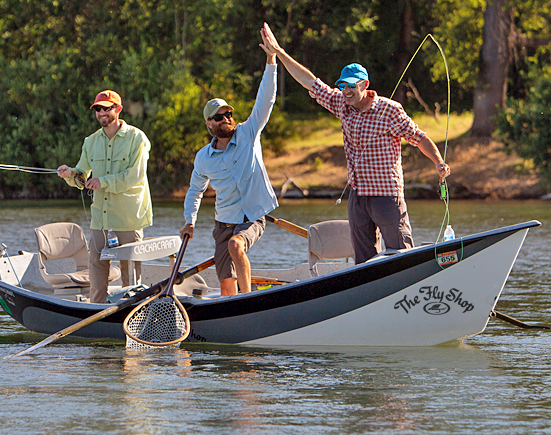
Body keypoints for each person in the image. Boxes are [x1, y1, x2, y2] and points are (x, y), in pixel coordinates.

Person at [260, 23, 451, 264]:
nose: (346, 90)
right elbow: (309, 81)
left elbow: (419, 137)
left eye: (351, 85)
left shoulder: (390, 110)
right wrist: (278, 52)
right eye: (342, 85)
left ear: (365, 85)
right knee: (364, 260)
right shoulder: (341, 104)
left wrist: (438, 162)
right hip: (358, 197)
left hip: (387, 195)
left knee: (401, 254)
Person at [179, 45, 279, 296]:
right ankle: (234, 304)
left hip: (252, 217)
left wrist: (271, 60)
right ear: (209, 124)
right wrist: (189, 222)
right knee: (226, 287)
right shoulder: (203, 157)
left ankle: (247, 299)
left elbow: (266, 100)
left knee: (237, 245)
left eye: (228, 114)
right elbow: (195, 191)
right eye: (219, 116)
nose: (226, 118)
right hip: (223, 224)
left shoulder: (249, 133)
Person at [57, 90, 152, 303]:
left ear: (118, 109)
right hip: (100, 218)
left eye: (106, 108)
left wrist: (103, 181)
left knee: (131, 275)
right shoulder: (90, 142)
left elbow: (135, 176)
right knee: (97, 267)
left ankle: (133, 309)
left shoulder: (137, 138)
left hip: (129, 218)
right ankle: (97, 309)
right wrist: (70, 174)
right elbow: (82, 175)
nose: (101, 113)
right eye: (98, 109)